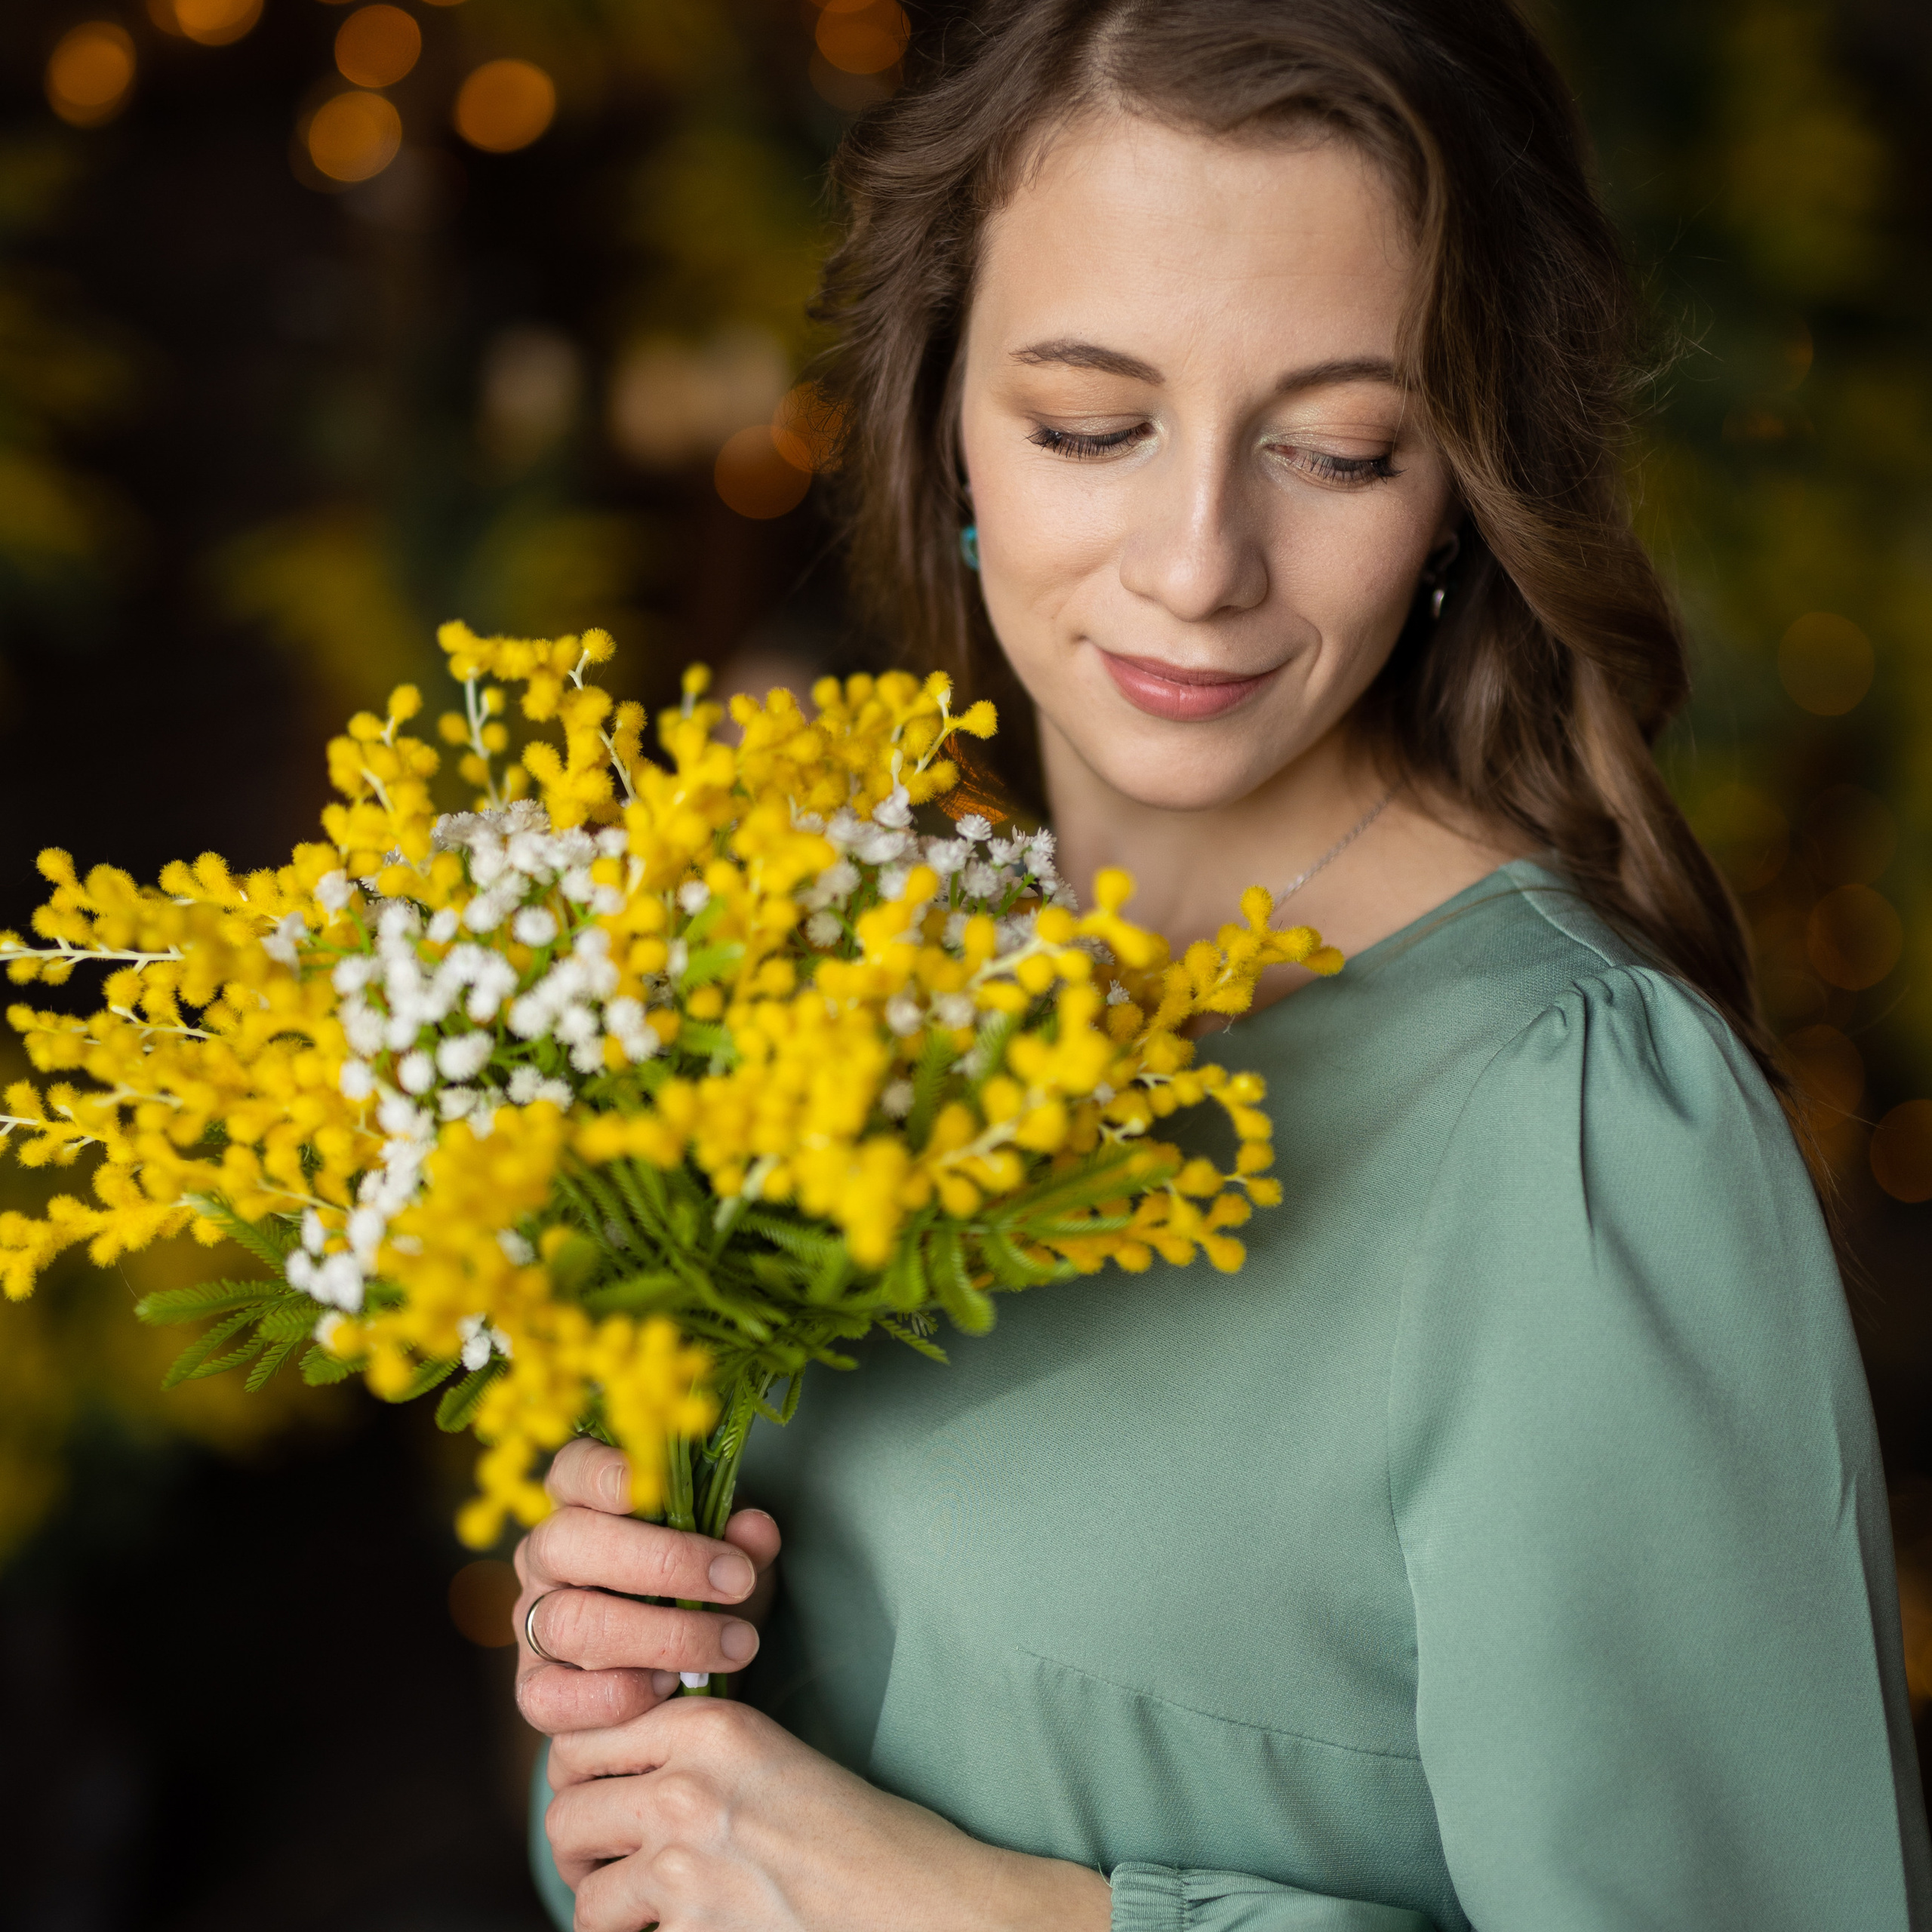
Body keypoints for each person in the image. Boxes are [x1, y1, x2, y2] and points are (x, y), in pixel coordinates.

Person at [509, 3, 1931, 1927]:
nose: (1198, 563)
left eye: (1337, 450)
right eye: (1090, 425)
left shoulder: (1575, 1133)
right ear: (942, 413)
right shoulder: (821, 978)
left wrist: (1007, 1916)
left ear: (1458, 485)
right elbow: (717, 1841)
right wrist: (626, 1715)